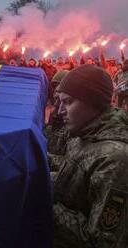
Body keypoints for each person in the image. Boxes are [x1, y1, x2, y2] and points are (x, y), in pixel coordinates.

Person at [52, 65, 128, 247]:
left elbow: (100, 241)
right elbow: (75, 168)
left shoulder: (115, 161)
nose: (59, 111)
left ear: (93, 103)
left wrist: (42, 202)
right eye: (59, 102)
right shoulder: (84, 133)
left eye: (68, 102)